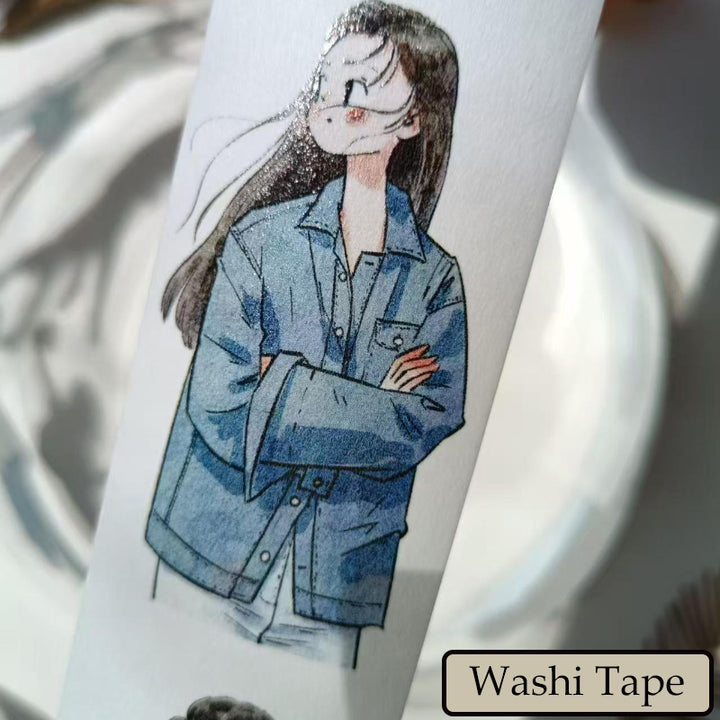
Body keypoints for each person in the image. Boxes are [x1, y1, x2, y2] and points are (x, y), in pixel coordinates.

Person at [146, 0, 466, 668]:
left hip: (334, 583)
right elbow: (220, 401)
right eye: (332, 79)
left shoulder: (435, 279)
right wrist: (373, 401)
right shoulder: (260, 241)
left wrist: (282, 384)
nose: (339, 98)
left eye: (365, 83)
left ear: (413, 118)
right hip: (207, 543)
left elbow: (427, 420)